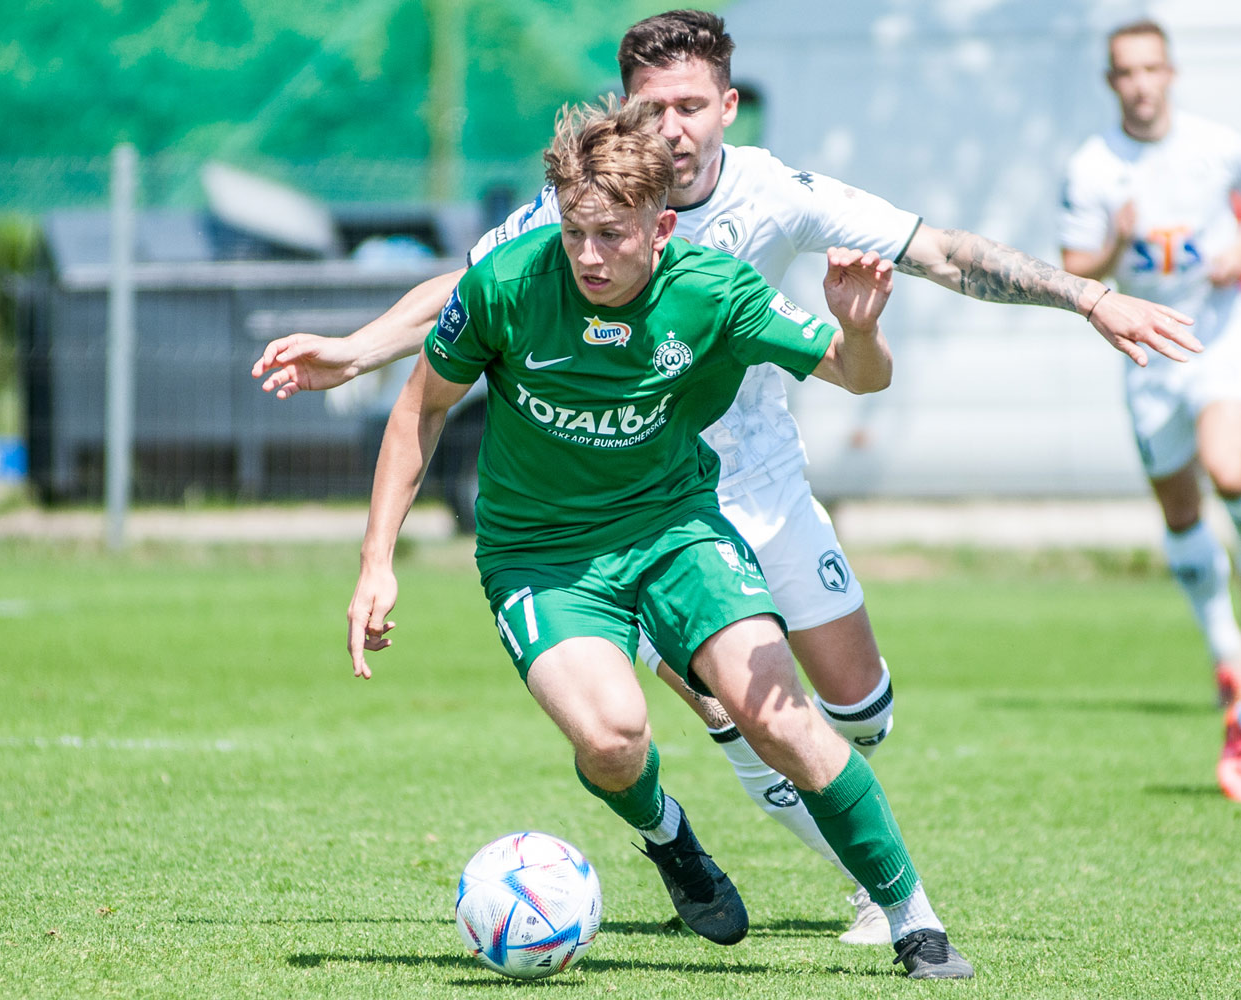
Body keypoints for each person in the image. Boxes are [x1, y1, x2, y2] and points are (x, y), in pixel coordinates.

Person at [256, 9, 1201, 942]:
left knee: (855, 710)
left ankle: (779, 764)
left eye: (690, 106)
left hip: (762, 477)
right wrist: (357, 350)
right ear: (623, 111)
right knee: (731, 714)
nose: (670, 127)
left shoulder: (778, 196)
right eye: (650, 106)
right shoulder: (588, 205)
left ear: (728, 107)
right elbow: (465, 290)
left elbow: (942, 255)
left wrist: (1087, 297)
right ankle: (858, 882)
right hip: (651, 496)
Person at [349, 95, 973, 978]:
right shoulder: (507, 283)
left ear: (663, 224)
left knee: (777, 717)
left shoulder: (714, 291)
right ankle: (668, 838)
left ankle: (914, 920)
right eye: (575, 233)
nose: (589, 256)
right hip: (541, 555)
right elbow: (421, 409)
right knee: (612, 740)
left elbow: (858, 378)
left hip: (675, 529)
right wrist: (377, 562)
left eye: (611, 234)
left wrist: (863, 330)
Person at [1058, 18, 1241, 801]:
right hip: (1146, 353)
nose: (1139, 83)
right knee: (1178, 511)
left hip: (1217, 334)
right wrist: (1114, 245)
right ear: (1113, 82)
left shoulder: (1217, 144)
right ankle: (1224, 653)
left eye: (1150, 69)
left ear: (1170, 74)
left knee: (1227, 466)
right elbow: (1074, 269)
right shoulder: (1095, 166)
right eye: (1125, 72)